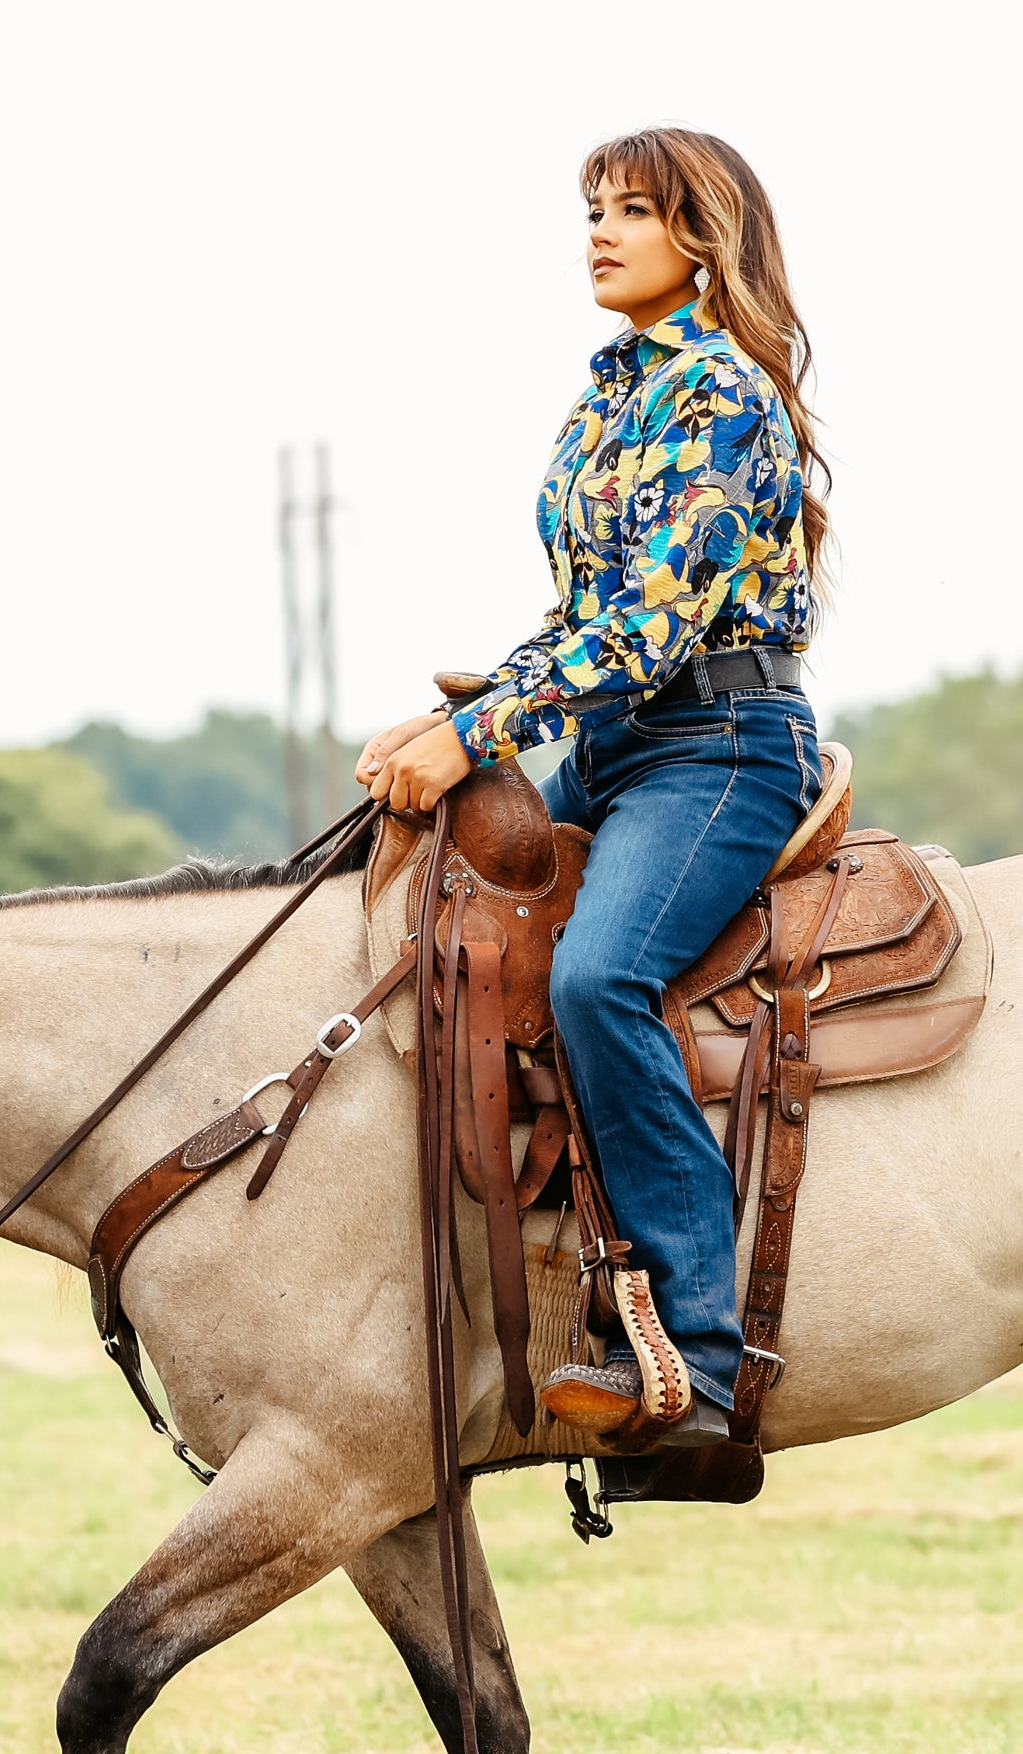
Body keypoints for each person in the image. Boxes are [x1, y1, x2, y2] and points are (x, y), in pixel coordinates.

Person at [354, 128, 826, 1451]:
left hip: (720, 747)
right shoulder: (610, 393)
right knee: (452, 949)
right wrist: (458, 716)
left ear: (703, 236)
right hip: (619, 745)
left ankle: (706, 1357)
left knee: (595, 980)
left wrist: (483, 733)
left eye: (633, 211)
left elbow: (649, 631)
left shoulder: (721, 397)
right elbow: (582, 613)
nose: (601, 233)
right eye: (593, 211)